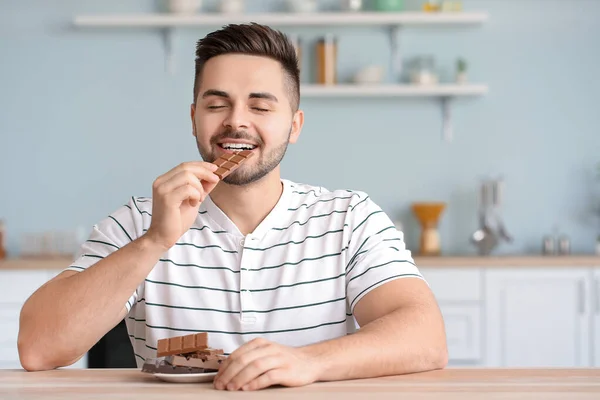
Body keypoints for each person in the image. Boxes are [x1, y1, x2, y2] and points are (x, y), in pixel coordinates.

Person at [17, 23, 447, 391]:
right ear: (193, 118)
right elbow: (38, 347)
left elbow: (426, 338)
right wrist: (156, 241)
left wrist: (309, 362)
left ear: (294, 125)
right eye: (216, 104)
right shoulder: (139, 222)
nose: (236, 121)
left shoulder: (350, 219)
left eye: (260, 106)